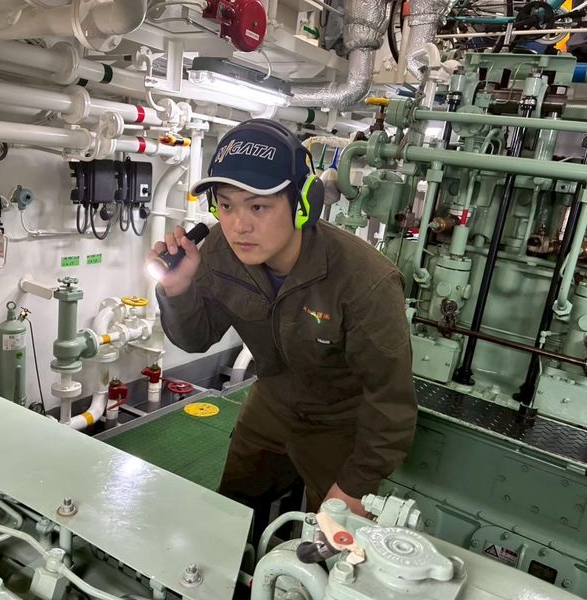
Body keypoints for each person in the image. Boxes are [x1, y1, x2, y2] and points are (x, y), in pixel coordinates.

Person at [149, 118, 417, 534]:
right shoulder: (219, 250)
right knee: (233, 513)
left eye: (258, 206)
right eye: (226, 205)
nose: (239, 226)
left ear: (303, 203)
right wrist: (178, 288)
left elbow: (391, 403)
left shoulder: (366, 282)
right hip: (271, 401)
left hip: (340, 420)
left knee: (328, 538)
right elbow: (196, 338)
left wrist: (356, 484)